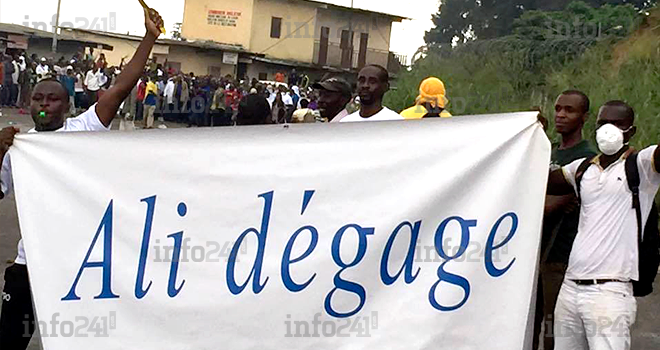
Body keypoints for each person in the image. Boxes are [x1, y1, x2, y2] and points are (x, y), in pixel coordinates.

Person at [0, 8, 164, 350]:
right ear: (29, 104)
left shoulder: (84, 129)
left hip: (77, 263)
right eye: (38, 98)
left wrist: (149, 37)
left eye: (53, 98)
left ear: (67, 105)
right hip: (29, 263)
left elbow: (121, 86)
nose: (44, 104)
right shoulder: (17, 145)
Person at [547, 100, 659, 350]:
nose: (609, 129)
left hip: (610, 292)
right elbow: (541, 180)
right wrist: (532, 139)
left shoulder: (641, 166)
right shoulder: (583, 169)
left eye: (617, 124)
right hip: (570, 287)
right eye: (603, 123)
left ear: (631, 131)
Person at [531, 91, 597, 350]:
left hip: (559, 257)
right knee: (527, 322)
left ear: (584, 117)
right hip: (535, 253)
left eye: (569, 110)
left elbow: (547, 206)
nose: (560, 114)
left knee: (553, 327)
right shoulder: (550, 151)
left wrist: (539, 199)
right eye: (558, 108)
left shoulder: (586, 158)